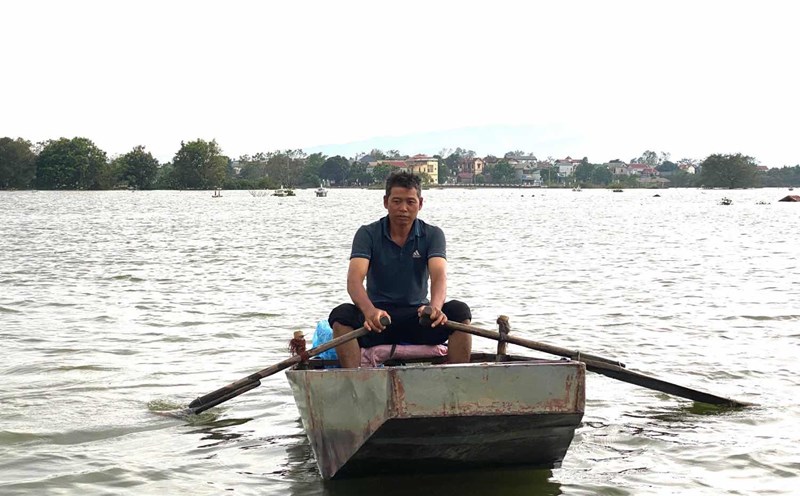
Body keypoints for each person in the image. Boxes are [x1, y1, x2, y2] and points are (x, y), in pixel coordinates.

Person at [328, 171, 472, 368]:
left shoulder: (432, 234)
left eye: (410, 202)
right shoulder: (367, 234)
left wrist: (435, 308)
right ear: (386, 202)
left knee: (459, 311)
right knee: (341, 316)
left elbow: (439, 276)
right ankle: (354, 382)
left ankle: (459, 379)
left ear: (420, 204)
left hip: (418, 317)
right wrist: (370, 311)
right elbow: (354, 281)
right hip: (379, 321)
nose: (403, 208)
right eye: (396, 201)